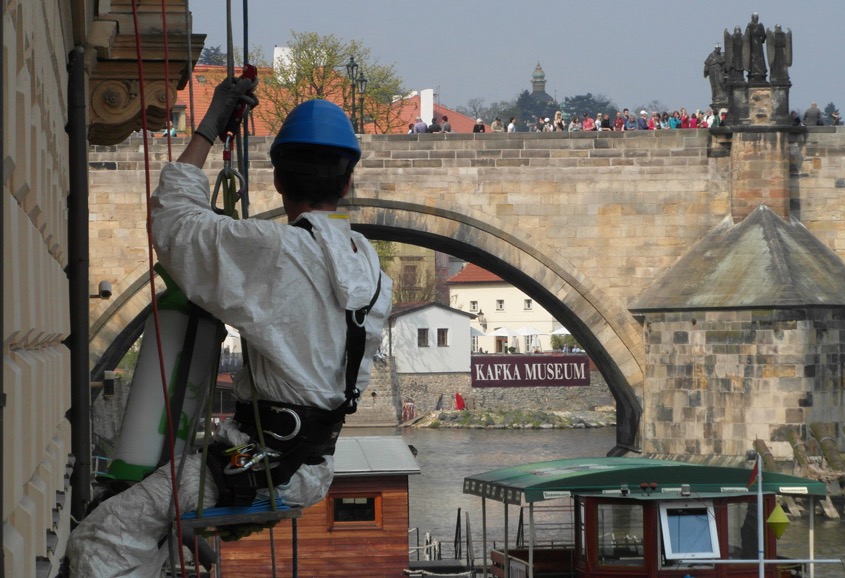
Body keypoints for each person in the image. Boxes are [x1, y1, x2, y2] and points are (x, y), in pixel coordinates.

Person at [68, 77, 392, 576]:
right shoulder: (373, 272)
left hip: (254, 464)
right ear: (347, 182)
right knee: (157, 505)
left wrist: (211, 125)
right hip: (308, 466)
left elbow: (174, 222)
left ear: (278, 181)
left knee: (105, 533)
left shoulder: (273, 252)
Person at [743, 12, 767, 83]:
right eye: (754, 17)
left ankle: (760, 71)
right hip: (752, 44)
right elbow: (746, 36)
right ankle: (752, 71)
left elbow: (764, 35)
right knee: (752, 58)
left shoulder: (760, 25)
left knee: (759, 58)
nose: (755, 18)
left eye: (756, 17)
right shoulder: (749, 25)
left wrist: (762, 39)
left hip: (758, 44)